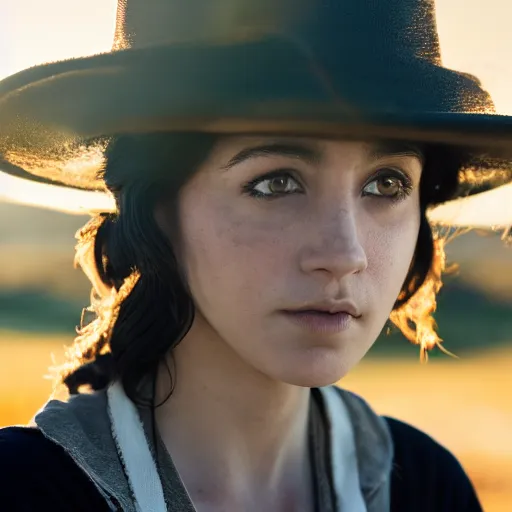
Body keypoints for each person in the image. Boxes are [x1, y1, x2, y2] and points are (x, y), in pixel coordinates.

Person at [0, 0, 510, 510]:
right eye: (277, 182)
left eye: (386, 183)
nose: (344, 253)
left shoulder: (424, 489)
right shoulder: (25, 490)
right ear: (157, 206)